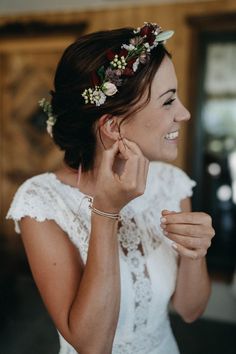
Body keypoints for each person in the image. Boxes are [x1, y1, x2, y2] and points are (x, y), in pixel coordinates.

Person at [7, 22, 215, 354]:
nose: (185, 113)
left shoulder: (169, 182)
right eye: (168, 101)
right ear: (112, 126)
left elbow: (191, 311)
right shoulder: (41, 202)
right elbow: (93, 346)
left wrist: (195, 253)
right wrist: (105, 211)